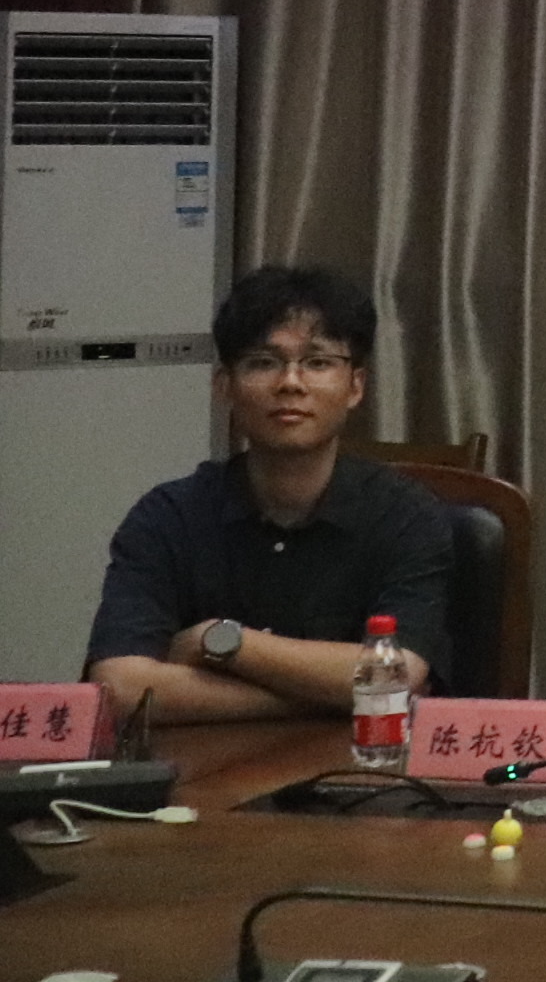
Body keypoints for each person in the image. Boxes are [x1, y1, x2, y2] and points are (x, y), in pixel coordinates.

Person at [86, 264, 452, 725]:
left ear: (355, 386)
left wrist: (220, 641)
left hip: (359, 765)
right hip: (202, 767)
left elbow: (398, 674)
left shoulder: (406, 515)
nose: (291, 383)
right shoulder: (167, 517)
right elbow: (120, 687)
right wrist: (327, 694)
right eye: (263, 362)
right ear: (225, 386)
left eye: (317, 363)